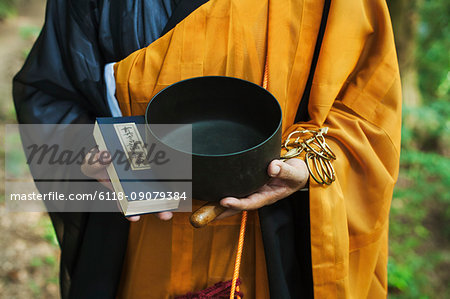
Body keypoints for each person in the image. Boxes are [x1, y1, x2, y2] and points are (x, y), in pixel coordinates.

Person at [13, 0, 401, 298]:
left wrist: (309, 164)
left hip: (276, 245)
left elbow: (368, 110)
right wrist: (92, 156)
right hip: (140, 235)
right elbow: (51, 94)